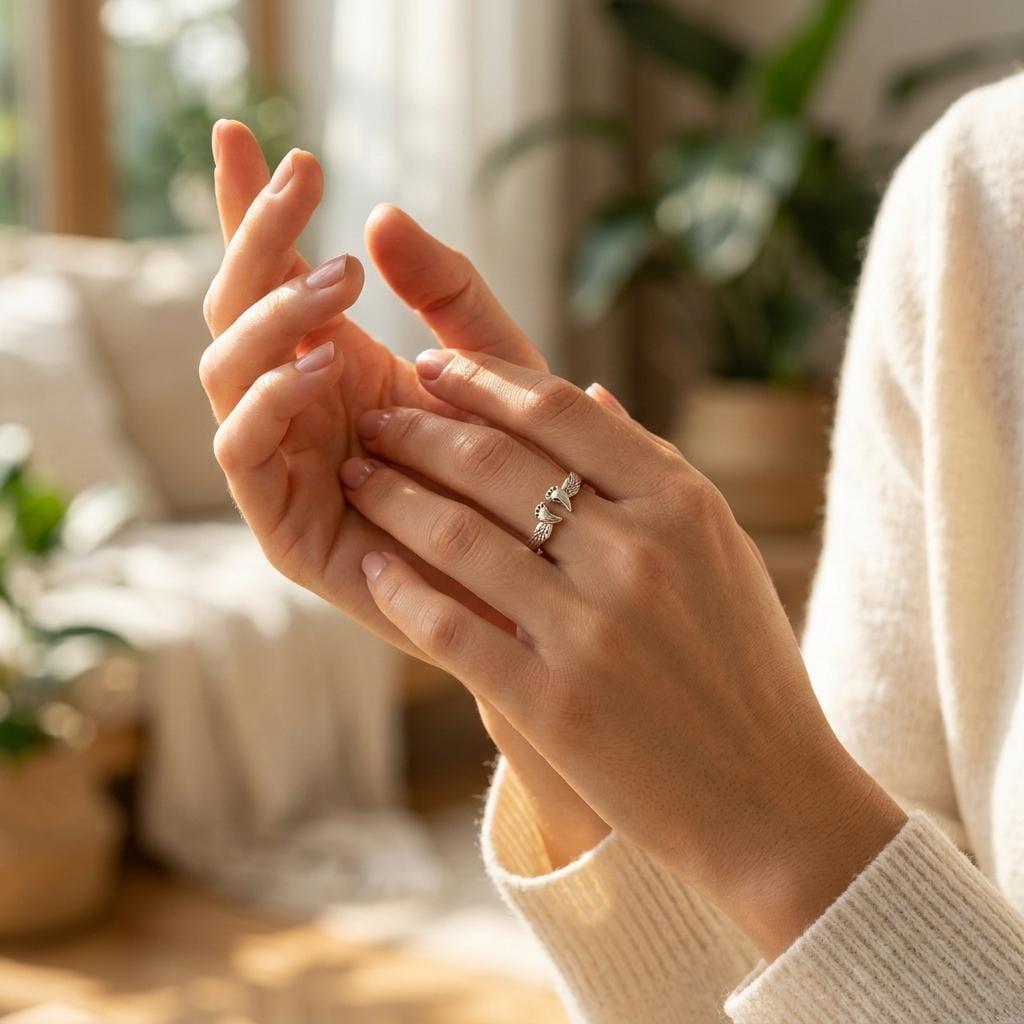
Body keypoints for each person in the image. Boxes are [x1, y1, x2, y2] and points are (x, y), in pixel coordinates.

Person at [199, 72, 1024, 1024]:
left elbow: (823, 878)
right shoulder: (977, 202)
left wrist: (776, 818)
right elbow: (839, 956)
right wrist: (528, 665)